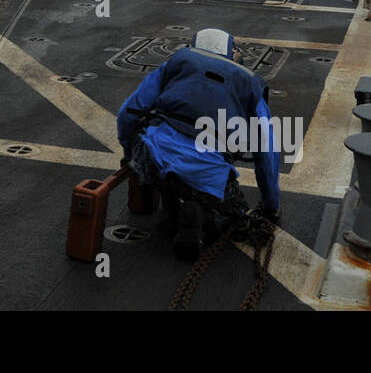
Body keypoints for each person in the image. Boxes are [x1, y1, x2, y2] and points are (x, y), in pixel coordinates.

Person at [117, 28, 282, 260]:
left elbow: (129, 113)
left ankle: (172, 212)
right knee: (234, 214)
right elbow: (267, 153)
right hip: (208, 173)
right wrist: (270, 206)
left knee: (158, 153)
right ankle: (203, 219)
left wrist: (130, 156)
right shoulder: (249, 83)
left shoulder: (177, 63)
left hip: (155, 157)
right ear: (231, 53)